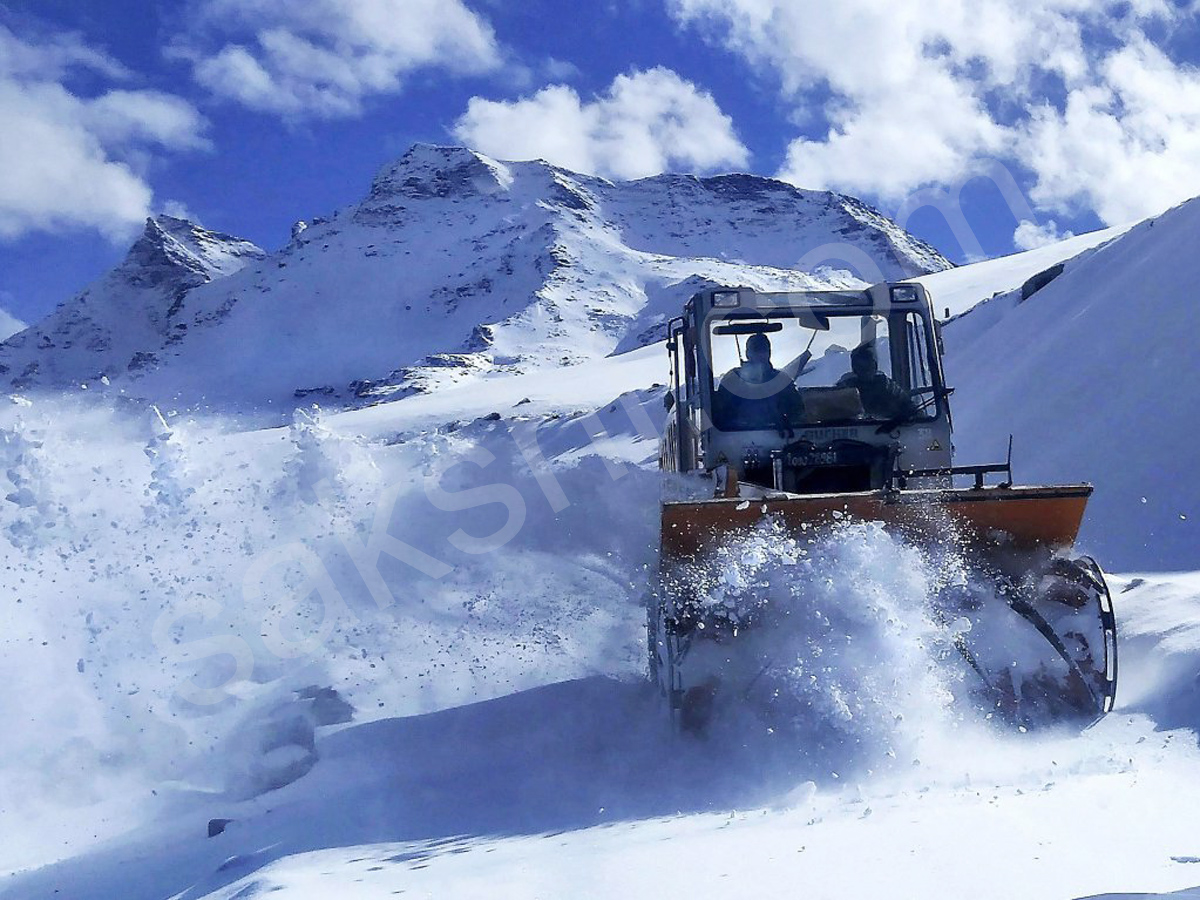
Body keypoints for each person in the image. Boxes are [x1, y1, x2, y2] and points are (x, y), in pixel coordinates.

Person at [713, 333, 804, 431]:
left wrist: (785, 418)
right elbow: (719, 414)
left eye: (764, 350)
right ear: (747, 353)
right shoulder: (733, 379)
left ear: (769, 353)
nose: (760, 354)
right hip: (737, 438)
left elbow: (798, 410)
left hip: (779, 437)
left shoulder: (781, 380)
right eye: (756, 350)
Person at [837, 342, 917, 421]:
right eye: (860, 366)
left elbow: (912, 409)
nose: (866, 370)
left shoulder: (887, 386)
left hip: (891, 431)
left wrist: (915, 414)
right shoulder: (845, 389)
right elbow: (832, 412)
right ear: (854, 368)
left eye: (869, 364)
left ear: (875, 366)